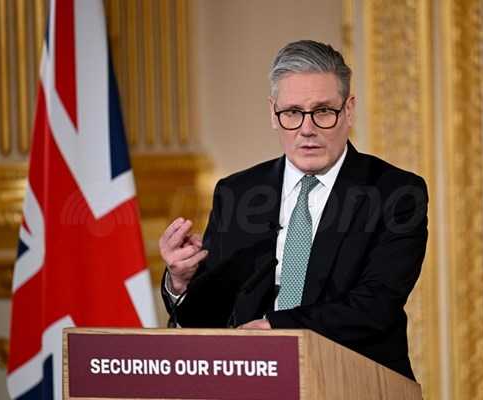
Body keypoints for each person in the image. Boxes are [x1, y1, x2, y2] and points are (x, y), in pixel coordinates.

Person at [159, 40, 428, 380]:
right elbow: (209, 318)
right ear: (273, 114)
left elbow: (377, 305)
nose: (307, 128)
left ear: (348, 110)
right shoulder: (237, 192)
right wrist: (181, 282)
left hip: (357, 382)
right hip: (254, 382)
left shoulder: (396, 193)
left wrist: (276, 328)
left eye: (323, 111)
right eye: (292, 113)